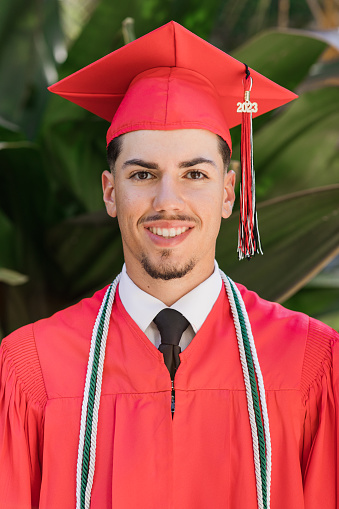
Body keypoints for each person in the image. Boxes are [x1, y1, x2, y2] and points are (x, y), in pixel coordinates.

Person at [0, 21, 338, 509]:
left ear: (228, 193)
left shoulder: (310, 363)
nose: (168, 202)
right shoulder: (32, 370)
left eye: (194, 174)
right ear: (110, 192)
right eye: (143, 174)